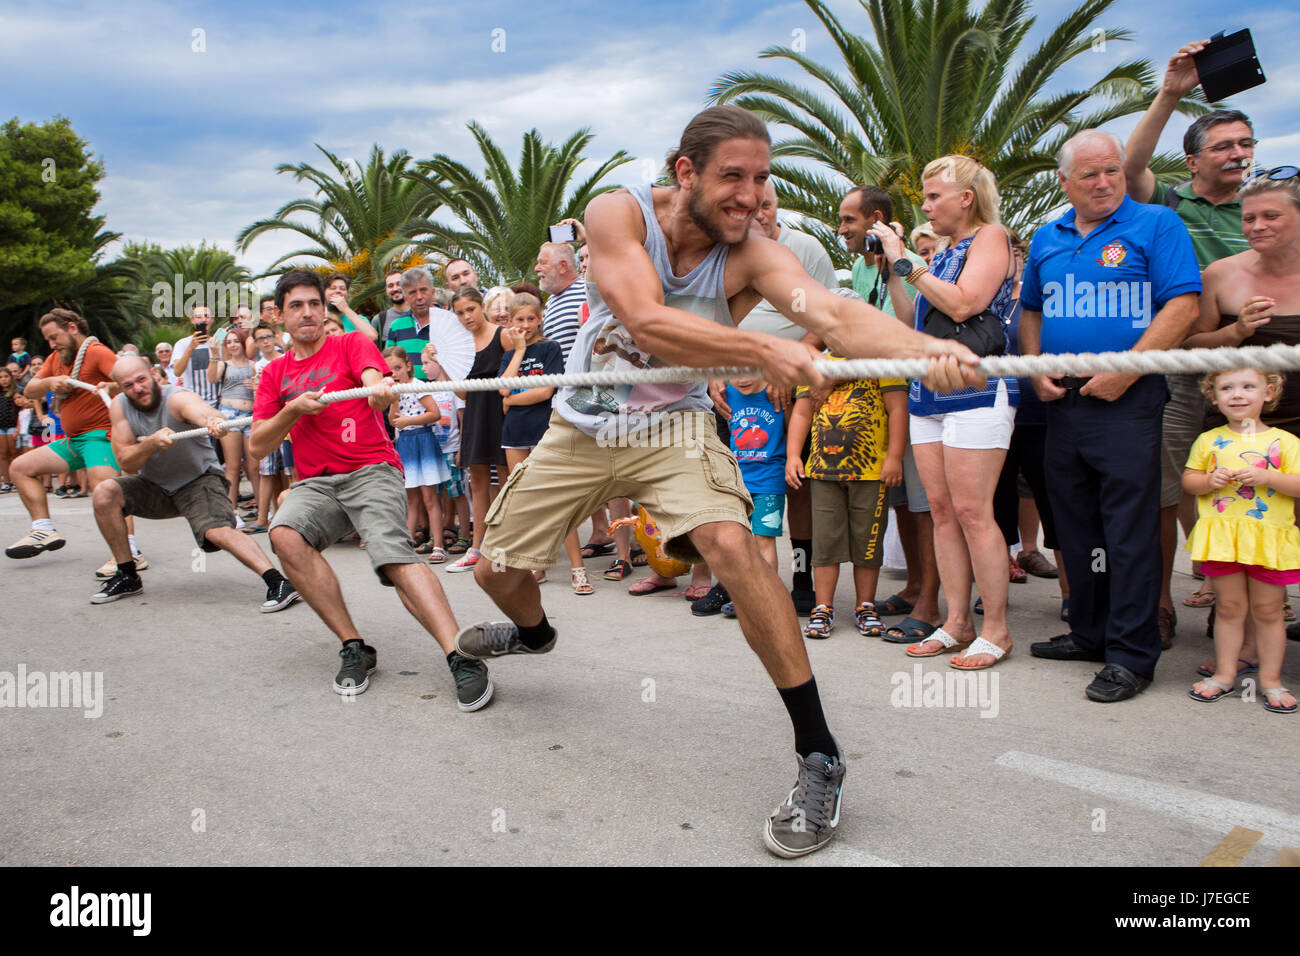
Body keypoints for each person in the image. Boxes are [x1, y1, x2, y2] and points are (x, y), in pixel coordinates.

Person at [457, 105, 980, 859]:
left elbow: (831, 311)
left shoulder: (750, 253)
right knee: (494, 573)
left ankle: (819, 755)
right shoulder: (618, 213)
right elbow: (642, 318)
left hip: (675, 426)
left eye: (761, 178)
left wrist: (926, 347)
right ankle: (535, 634)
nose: (750, 195)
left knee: (734, 547)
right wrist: (757, 353)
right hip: (582, 426)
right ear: (686, 173)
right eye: (733, 176)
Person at [250, 269, 493, 710]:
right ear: (280, 316)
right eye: (296, 306)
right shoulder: (275, 374)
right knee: (283, 534)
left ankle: (460, 654)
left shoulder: (349, 343)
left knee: (393, 557)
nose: (307, 312)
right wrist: (291, 412)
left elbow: (373, 381)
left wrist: (378, 393)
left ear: (325, 309)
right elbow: (257, 444)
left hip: (370, 468)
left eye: (314, 304)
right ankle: (353, 645)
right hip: (316, 482)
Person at [1020, 129, 1201, 701]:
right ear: (1064, 181)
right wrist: (1032, 367)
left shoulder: (1156, 224)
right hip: (1062, 401)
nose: (1104, 183)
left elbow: (1183, 304)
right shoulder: (1046, 238)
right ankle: (1090, 633)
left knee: (1129, 531)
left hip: (1130, 400)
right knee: (1075, 526)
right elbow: (1029, 310)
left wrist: (1131, 368)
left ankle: (1131, 655)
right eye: (1091, 174)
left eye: (1113, 172)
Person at [1125, 41, 1259, 641]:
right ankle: (1161, 599)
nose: (1238, 154)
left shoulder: (1271, 208)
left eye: (1245, 144)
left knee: (1259, 475)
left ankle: (1258, 603)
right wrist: (1171, 92)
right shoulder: (1170, 204)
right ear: (1192, 159)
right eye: (1223, 145)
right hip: (1183, 361)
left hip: (1262, 363)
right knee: (1167, 482)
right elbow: (1129, 172)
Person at [869, 156, 1018, 670]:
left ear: (966, 198)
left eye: (934, 196)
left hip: (978, 389)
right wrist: (894, 272)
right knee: (941, 510)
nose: (926, 206)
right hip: (928, 390)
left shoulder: (990, 239)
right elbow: (916, 319)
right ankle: (957, 621)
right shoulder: (947, 250)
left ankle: (996, 628)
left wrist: (907, 259)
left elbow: (962, 305)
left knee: (976, 511)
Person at [1183, 167, 1300, 671]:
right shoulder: (1223, 274)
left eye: (1271, 215)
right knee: (1250, 529)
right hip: (1241, 428)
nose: (1256, 225)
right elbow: (1189, 344)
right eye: (1249, 217)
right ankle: (1245, 644)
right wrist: (1236, 332)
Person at [91, 356, 299, 611]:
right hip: (156, 486)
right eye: (128, 385)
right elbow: (127, 462)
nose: (137, 388)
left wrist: (212, 420)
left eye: (141, 380)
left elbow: (202, 411)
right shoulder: (120, 406)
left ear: (154, 376)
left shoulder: (175, 397)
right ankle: (127, 575)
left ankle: (278, 582)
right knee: (105, 492)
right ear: (121, 388)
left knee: (217, 531)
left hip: (199, 481)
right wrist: (151, 443)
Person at [840, 184, 940, 643]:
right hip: (877, 403)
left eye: (849, 221)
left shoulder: (913, 262)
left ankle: (931, 602)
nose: (841, 229)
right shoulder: (861, 270)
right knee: (901, 500)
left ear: (876, 218)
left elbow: (906, 323)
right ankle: (915, 583)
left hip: (915, 398)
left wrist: (896, 261)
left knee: (925, 506)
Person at [1183, 368, 1298, 714]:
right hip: (1223, 538)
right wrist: (1208, 481)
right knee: (1230, 608)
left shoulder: (1285, 441)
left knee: (1268, 610)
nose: (1237, 394)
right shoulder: (1209, 440)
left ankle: (1272, 680)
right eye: (1227, 388)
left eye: (1248, 386)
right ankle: (1224, 674)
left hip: (1268, 541)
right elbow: (1189, 481)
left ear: (1268, 392)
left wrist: (1269, 477)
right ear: (1214, 397)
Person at [5, 309, 144, 573]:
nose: (51, 343)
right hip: (73, 441)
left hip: (101, 436)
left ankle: (131, 552)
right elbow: (31, 388)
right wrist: (51, 382)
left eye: (54, 337)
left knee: (107, 491)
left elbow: (130, 380)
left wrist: (110, 386)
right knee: (20, 468)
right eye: (47, 340)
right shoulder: (55, 358)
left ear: (71, 327)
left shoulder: (97, 352)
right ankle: (43, 530)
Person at [785, 358, 905, 638]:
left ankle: (865, 606)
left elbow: (898, 408)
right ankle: (822, 608)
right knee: (825, 542)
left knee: (868, 542)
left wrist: (895, 457)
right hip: (823, 472)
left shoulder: (883, 363)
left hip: (871, 473)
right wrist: (793, 455)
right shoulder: (814, 366)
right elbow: (802, 414)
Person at [497, 293, 590, 593]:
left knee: (557, 499)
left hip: (541, 429)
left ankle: (578, 569)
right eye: (519, 319)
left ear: (539, 319)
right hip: (513, 433)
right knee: (525, 499)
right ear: (510, 322)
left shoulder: (550, 348)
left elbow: (544, 391)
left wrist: (512, 398)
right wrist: (519, 352)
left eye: (530, 318)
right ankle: (537, 565)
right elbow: (502, 389)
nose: (525, 324)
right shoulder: (510, 353)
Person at [445, 288, 508, 573]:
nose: (466, 316)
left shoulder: (502, 335)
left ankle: (510, 544)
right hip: (475, 412)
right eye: (460, 312)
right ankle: (478, 546)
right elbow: (462, 392)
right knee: (478, 481)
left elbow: (513, 376)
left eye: (470, 309)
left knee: (508, 479)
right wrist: (442, 363)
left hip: (502, 410)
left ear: (482, 306)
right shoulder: (460, 345)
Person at [382, 347, 451, 562]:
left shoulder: (418, 386)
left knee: (430, 498)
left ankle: (438, 544)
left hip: (423, 440)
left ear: (408, 366)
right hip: (405, 445)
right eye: (390, 370)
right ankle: (407, 542)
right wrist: (394, 400)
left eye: (398, 368)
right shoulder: (393, 391)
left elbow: (435, 414)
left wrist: (408, 421)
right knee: (411, 498)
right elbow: (394, 420)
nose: (394, 373)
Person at [207, 326, 259, 513]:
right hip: (229, 414)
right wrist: (214, 355)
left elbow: (260, 391)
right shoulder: (224, 364)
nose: (232, 345)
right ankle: (232, 512)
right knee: (233, 466)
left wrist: (255, 385)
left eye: (236, 341)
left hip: (250, 415)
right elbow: (211, 378)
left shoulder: (253, 365)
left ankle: (262, 511)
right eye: (229, 342)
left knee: (254, 466)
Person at [535, 242, 586, 361]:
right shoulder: (550, 302)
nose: (536, 268)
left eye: (542, 262)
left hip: (587, 377)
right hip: (559, 379)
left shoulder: (587, 291)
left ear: (562, 266)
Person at [171, 305, 222, 407]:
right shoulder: (182, 344)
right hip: (192, 403)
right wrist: (190, 348)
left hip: (217, 402)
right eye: (199, 317)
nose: (204, 320)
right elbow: (177, 371)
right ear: (192, 320)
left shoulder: (219, 342)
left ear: (212, 319)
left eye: (207, 316)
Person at [323, 272, 378, 342]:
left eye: (342, 289)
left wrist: (345, 309)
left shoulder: (359, 320)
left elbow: (372, 336)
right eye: (333, 288)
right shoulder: (318, 322)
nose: (338, 291)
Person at [372, 267, 411, 343]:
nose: (395, 289)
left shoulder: (421, 316)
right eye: (390, 286)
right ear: (386, 290)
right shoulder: (379, 320)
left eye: (399, 284)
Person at [0, 366, 18, 492]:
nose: (3, 380)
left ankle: (17, 480)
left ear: (11, 378)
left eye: (6, 376)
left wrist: (18, 427)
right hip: (1, 427)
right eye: (1, 377)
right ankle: (6, 482)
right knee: (3, 454)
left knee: (14, 454)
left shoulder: (16, 391)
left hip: (12, 426)